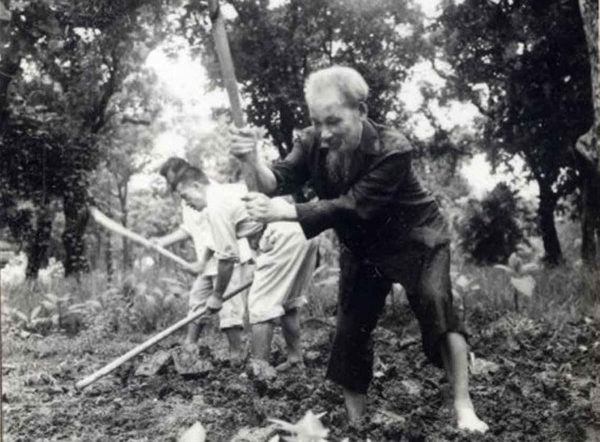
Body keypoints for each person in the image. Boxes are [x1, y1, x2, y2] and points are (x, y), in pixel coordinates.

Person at [229, 65, 489, 432]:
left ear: (361, 111)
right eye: (317, 122)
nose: (324, 133)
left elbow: (354, 204)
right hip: (363, 245)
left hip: (416, 237)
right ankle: (358, 424)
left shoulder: (394, 148)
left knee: (436, 302)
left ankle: (463, 405)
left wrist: (286, 212)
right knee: (350, 329)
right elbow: (275, 181)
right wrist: (251, 158)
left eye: (334, 121)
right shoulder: (311, 142)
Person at [163, 160, 319, 371]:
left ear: (197, 186)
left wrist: (217, 296)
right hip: (305, 229)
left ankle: (259, 371)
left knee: (260, 306)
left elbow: (227, 258)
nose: (187, 204)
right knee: (289, 303)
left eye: (185, 196)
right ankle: (294, 358)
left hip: (284, 235)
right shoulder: (230, 190)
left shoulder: (215, 207)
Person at [156, 157, 253, 365]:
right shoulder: (187, 197)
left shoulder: (212, 195)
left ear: (187, 174)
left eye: (172, 179)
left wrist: (202, 262)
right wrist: (161, 241)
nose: (171, 185)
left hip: (227, 258)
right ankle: (189, 348)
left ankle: (237, 356)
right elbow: (188, 229)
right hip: (208, 263)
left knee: (229, 309)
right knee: (197, 301)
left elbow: (216, 236)